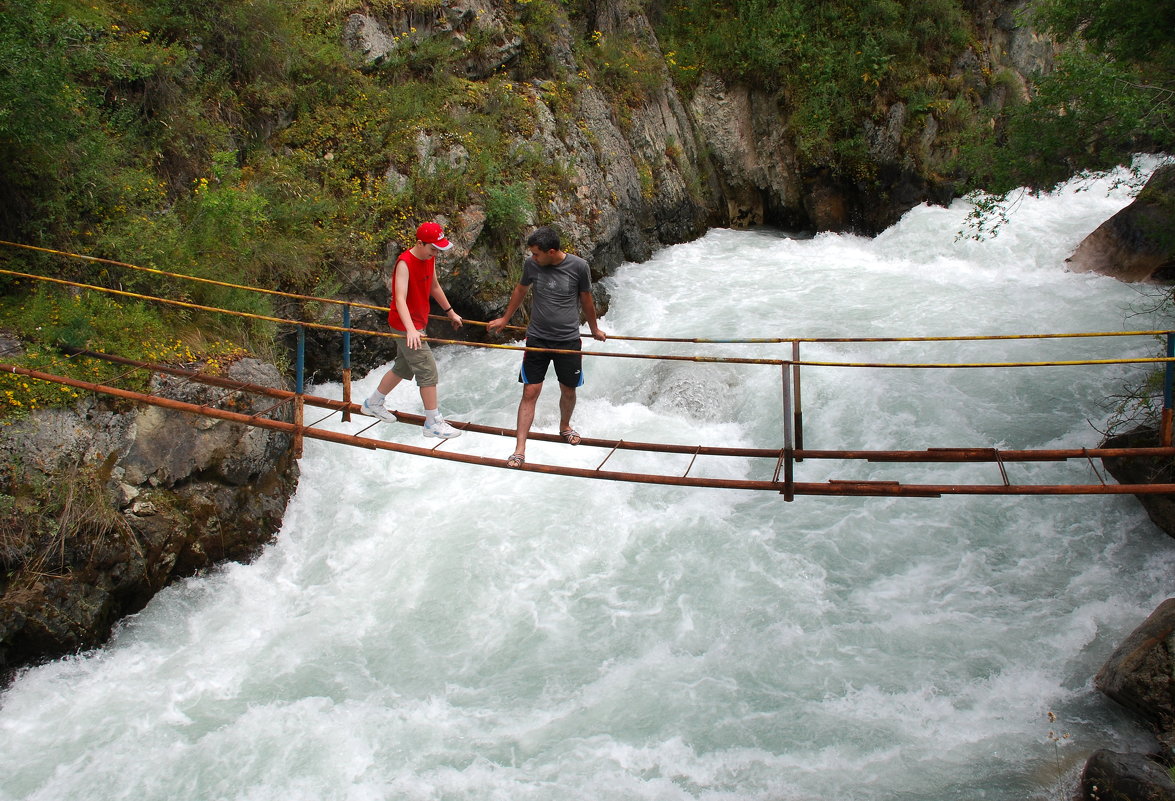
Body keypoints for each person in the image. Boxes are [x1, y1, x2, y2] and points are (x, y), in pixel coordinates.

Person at [486, 225, 606, 468]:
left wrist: (594, 328)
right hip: (538, 338)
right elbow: (521, 289)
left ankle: (565, 427)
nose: (533, 258)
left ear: (551, 252)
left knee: (569, 390)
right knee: (530, 392)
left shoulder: (578, 267)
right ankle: (519, 449)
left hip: (568, 340)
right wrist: (505, 319)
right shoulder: (532, 266)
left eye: (537, 254)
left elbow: (586, 299)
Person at [361, 221, 463, 439]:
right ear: (419, 243)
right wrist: (410, 330)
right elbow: (399, 298)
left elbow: (434, 286)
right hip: (404, 324)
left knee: (403, 367)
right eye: (433, 248)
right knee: (428, 369)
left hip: (418, 322)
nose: (436, 253)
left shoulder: (429, 258)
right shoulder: (405, 263)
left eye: (438, 249)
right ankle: (432, 422)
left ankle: (373, 403)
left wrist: (450, 312)